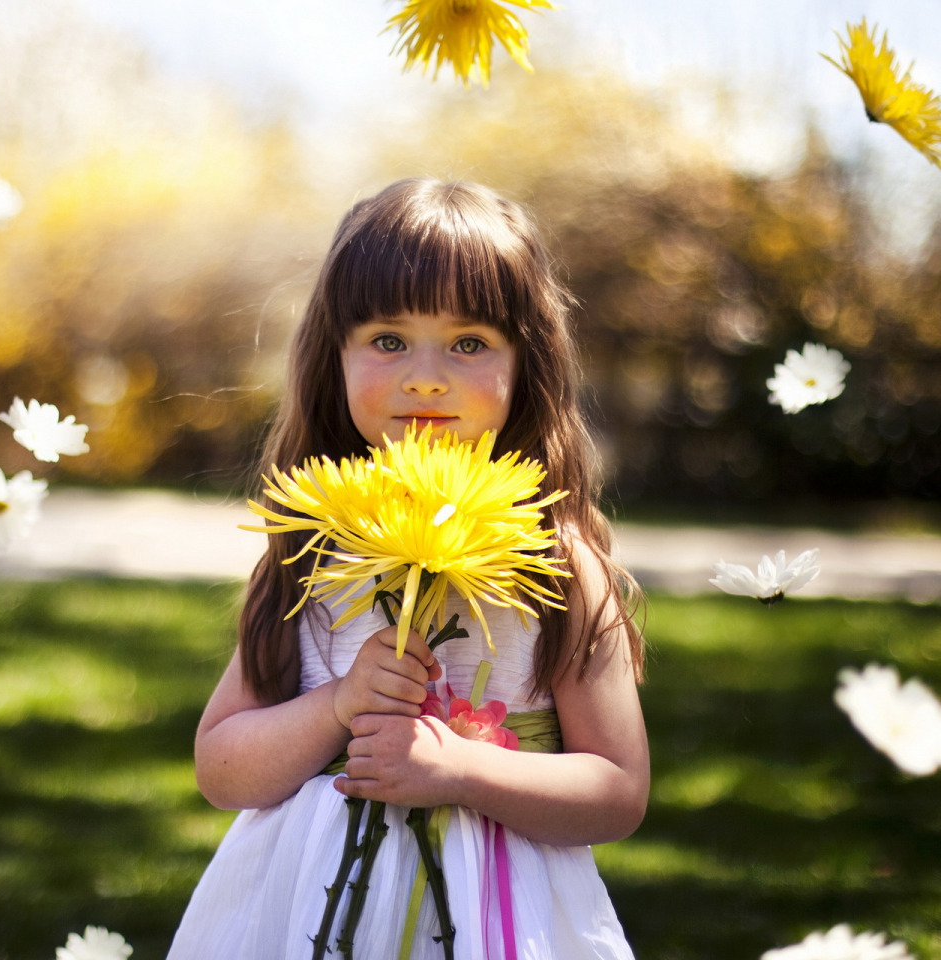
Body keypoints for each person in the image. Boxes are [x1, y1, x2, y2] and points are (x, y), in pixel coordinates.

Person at [166, 178, 649, 960]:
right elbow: (222, 768)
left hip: (494, 919)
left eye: (469, 343)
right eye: (388, 340)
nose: (426, 377)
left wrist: (461, 771)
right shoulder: (310, 549)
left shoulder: (556, 565)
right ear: (337, 356)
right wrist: (337, 708)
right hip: (303, 913)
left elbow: (618, 793)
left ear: (527, 363)